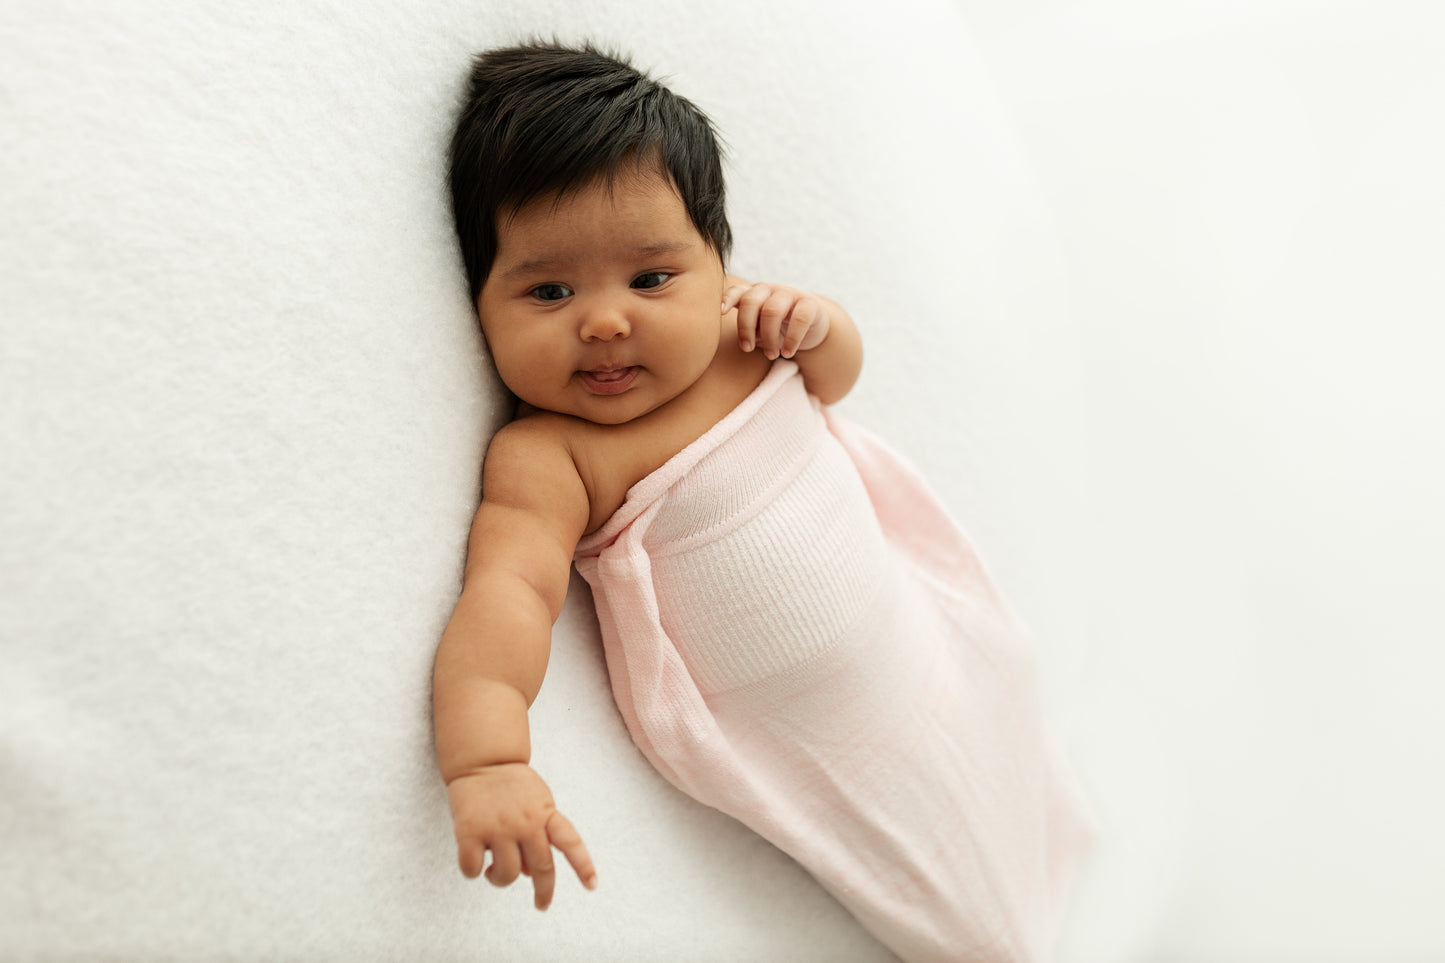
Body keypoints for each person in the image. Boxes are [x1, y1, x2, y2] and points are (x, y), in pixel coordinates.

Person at [435, 41, 1093, 963]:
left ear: (715, 260)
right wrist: (489, 760)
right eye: (548, 290)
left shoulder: (742, 334)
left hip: (899, 633)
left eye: (652, 278)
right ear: (476, 302)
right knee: (916, 868)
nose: (606, 320)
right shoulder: (552, 454)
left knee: (996, 721)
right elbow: (507, 600)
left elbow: (834, 380)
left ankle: (1059, 851)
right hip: (799, 733)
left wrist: (818, 326)